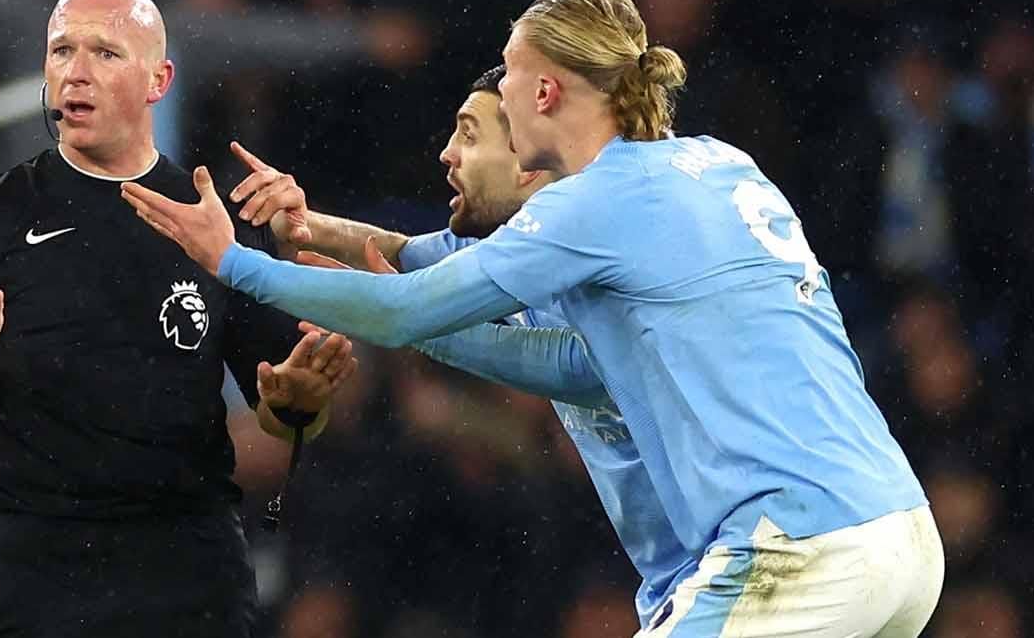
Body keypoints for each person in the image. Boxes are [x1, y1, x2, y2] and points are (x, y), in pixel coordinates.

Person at [122, 0, 943, 637]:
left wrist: (232, 262)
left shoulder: (596, 203)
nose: (500, 106)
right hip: (899, 533)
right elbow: (571, 363)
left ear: (544, 87)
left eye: (505, 81)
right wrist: (329, 235)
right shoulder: (720, 165)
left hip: (794, 545)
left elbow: (410, 309)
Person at [0, 0, 355, 638]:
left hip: (189, 577)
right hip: (38, 577)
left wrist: (302, 399)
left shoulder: (214, 221)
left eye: (105, 53)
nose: (75, 73)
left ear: (159, 80)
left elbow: (289, 415)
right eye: (61, 52)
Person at [229, 64, 694, 630]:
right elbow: (403, 256)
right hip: (677, 570)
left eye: (469, 133)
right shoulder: (518, 248)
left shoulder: (623, 249)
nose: (447, 153)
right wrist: (309, 227)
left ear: (526, 155)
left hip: (735, 548)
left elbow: (402, 309)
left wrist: (228, 260)